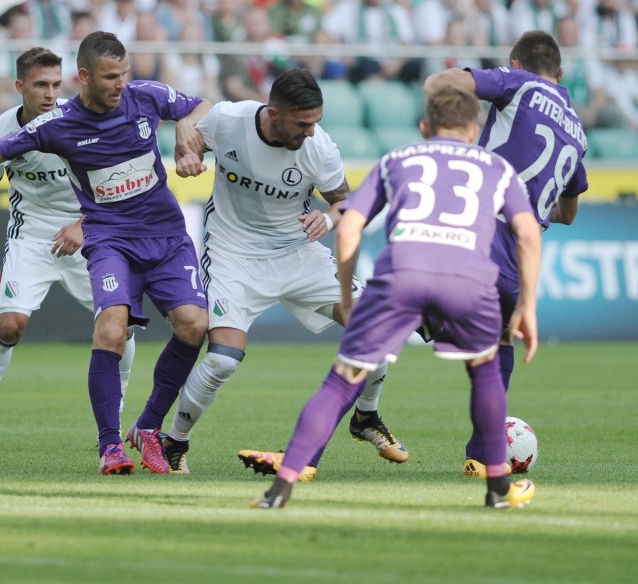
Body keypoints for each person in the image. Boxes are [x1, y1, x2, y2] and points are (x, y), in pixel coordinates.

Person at [0, 31, 212, 476]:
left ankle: (141, 427)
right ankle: (99, 439)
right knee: (83, 327)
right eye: (111, 77)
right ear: (82, 78)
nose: (121, 83)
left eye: (124, 74)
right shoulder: (51, 126)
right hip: (88, 236)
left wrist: (186, 127)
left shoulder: (146, 96)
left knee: (186, 326)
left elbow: (204, 108)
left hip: (127, 231)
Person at [252, 84, 543, 510]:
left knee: (339, 382)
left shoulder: (398, 159)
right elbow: (528, 233)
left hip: (400, 273)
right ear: (474, 128)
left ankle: (279, 491)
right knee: (485, 372)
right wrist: (528, 305)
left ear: (425, 126)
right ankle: (498, 489)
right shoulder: (496, 167)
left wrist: (346, 293)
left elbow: (350, 225)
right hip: (467, 278)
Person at [160, 68, 409, 479]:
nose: (312, 132)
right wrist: (186, 151)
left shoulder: (319, 148)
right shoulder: (230, 120)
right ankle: (175, 442)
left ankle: (365, 416)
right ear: (274, 113)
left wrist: (329, 220)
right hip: (232, 254)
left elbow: (348, 203)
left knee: (377, 325)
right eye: (303, 123)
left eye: (317, 122)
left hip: (297, 254)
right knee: (223, 360)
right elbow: (190, 132)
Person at [0, 47, 136, 451]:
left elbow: (116, 181)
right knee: (11, 325)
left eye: (55, 85)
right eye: (40, 85)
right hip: (32, 235)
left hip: (90, 231)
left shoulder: (81, 121)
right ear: (20, 87)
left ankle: (114, 414)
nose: (50, 93)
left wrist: (83, 225)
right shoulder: (0, 131)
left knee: (124, 325)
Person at [424, 30, 588, 477]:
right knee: (497, 347)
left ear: (515, 63)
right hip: (521, 250)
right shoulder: (577, 133)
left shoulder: (517, 84)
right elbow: (569, 213)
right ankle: (481, 455)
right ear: (561, 73)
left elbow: (440, 82)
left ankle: (425, 318)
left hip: (476, 225)